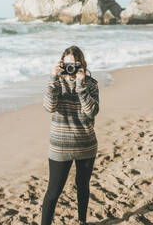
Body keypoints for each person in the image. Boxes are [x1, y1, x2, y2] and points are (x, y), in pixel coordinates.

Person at [41, 45, 99, 225]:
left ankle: (82, 221)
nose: (71, 68)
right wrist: (53, 77)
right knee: (53, 192)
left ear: (82, 64)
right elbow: (49, 107)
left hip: (86, 145)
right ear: (61, 64)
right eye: (67, 64)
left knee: (83, 187)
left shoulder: (91, 84)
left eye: (75, 64)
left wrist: (81, 85)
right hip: (60, 147)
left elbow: (92, 112)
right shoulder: (56, 82)